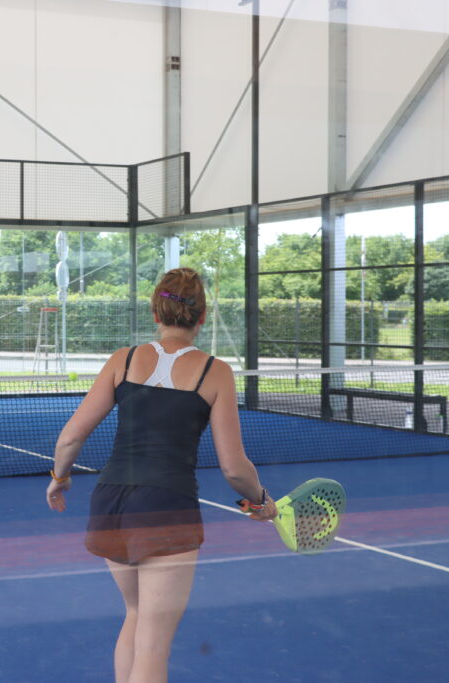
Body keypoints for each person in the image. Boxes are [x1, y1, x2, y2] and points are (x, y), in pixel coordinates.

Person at [46, 267, 277, 683]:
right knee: (154, 643)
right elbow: (233, 467)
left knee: (135, 616)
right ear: (201, 317)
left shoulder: (124, 359)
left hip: (112, 503)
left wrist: (59, 478)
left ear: (157, 311)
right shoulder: (216, 372)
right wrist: (260, 500)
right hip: (166, 508)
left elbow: (69, 439)